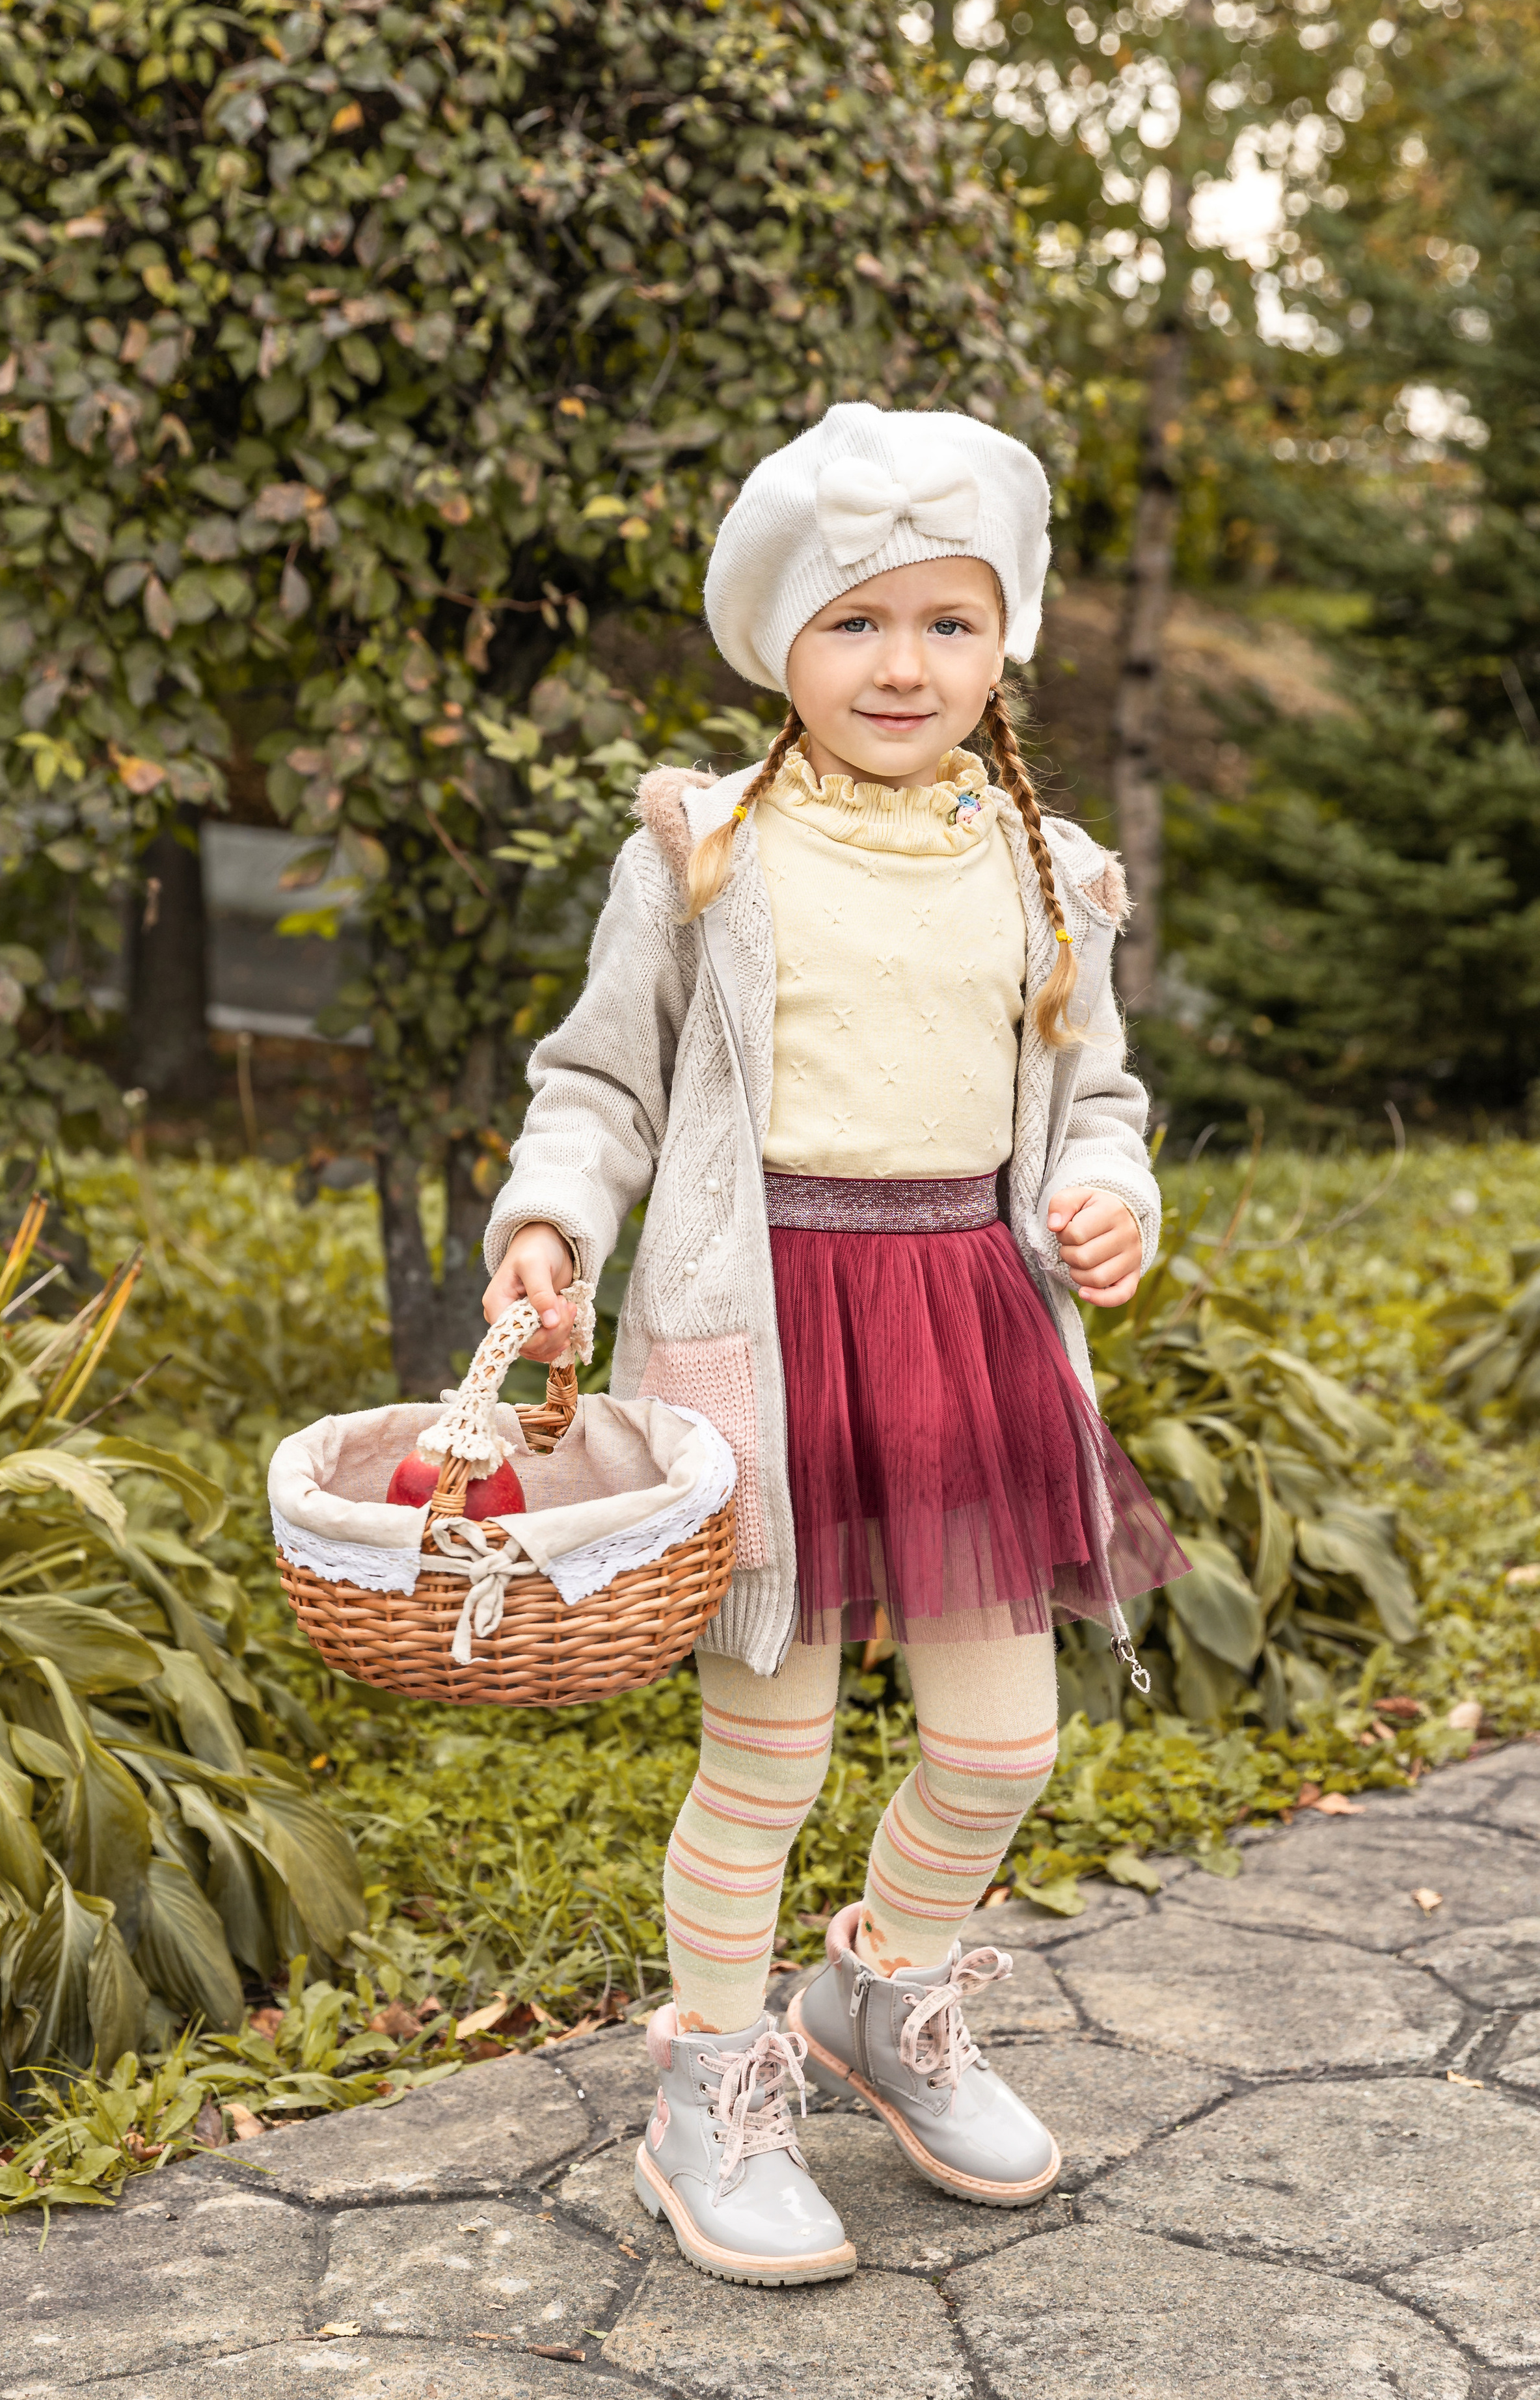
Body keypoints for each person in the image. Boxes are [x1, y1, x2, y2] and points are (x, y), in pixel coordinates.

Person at [481, 402, 1188, 2287]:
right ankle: (710, 2084)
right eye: (858, 623)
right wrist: (548, 1225)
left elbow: (1092, 1094)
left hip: (966, 1330)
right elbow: (597, 1087)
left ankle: (878, 1995)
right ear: (780, 645)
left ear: (1006, 643)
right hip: (763, 1339)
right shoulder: (702, 850)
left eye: (951, 624)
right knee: (768, 1752)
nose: (904, 665)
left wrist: (1107, 1196)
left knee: (1003, 1744)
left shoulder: (1053, 872)